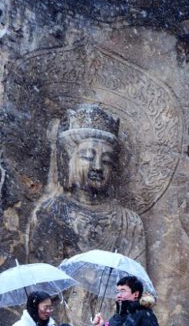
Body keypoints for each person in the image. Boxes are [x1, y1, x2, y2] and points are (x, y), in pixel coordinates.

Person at [27, 104, 146, 324]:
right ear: (68, 160)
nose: (98, 166)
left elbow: (138, 285)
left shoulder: (129, 222)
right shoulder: (51, 213)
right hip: (65, 312)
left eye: (107, 161)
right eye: (88, 157)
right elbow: (41, 284)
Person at [91, 276, 158, 326]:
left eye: (123, 291)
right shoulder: (118, 315)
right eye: (117, 291)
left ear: (136, 294)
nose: (118, 295)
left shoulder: (145, 316)